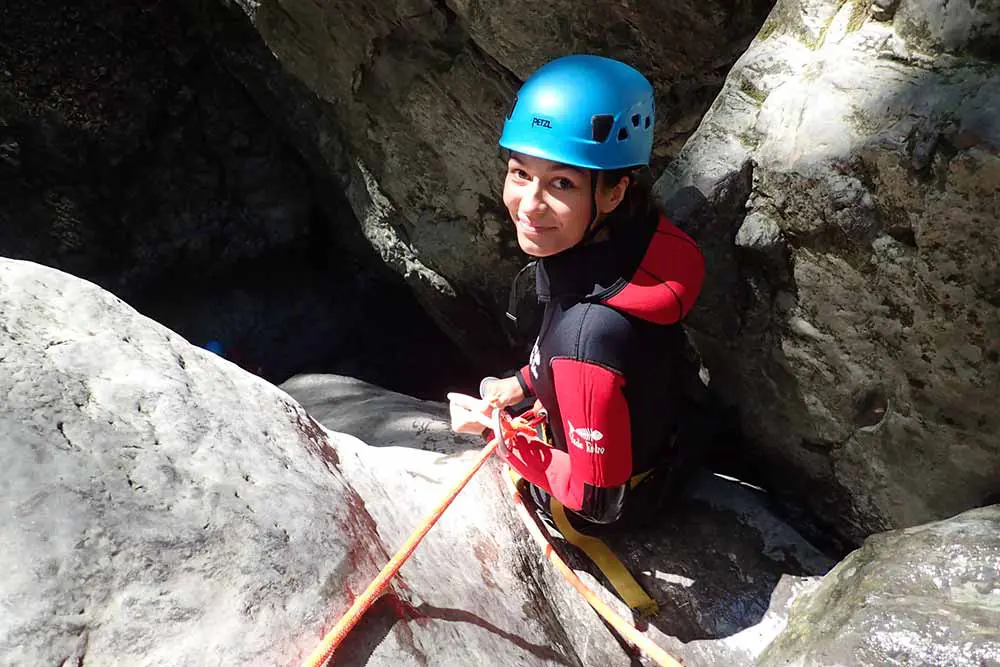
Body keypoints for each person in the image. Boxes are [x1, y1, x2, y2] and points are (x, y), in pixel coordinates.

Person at [448, 54, 705, 529]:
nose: (529, 205)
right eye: (520, 173)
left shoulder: (587, 339)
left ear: (613, 191)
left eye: (561, 183)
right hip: (657, 436)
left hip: (611, 502)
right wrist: (521, 385)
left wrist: (501, 435)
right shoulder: (639, 240)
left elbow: (598, 502)